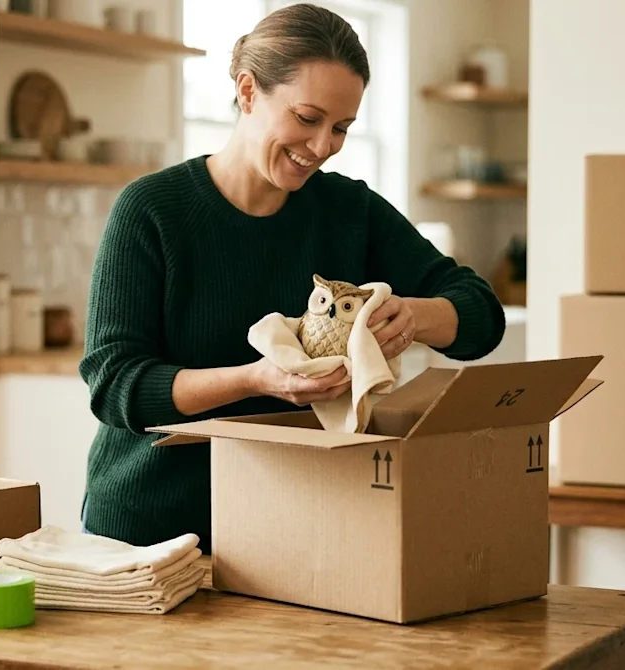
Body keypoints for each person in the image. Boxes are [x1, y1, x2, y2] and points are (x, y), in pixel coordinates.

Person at [77, 3, 505, 552]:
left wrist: (415, 316)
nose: (323, 146)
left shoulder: (349, 211)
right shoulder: (152, 211)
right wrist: (256, 380)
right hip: (150, 536)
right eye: (307, 118)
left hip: (297, 529)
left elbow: (481, 315)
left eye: (341, 128)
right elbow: (116, 386)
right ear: (248, 91)